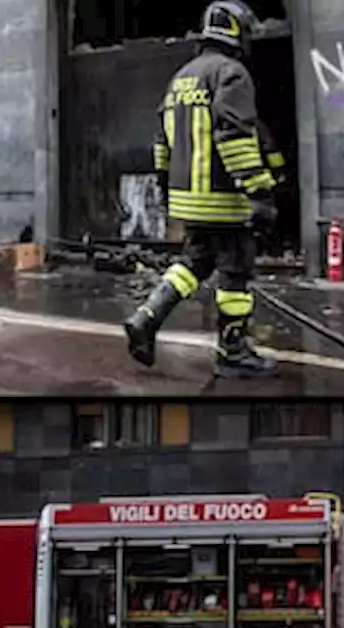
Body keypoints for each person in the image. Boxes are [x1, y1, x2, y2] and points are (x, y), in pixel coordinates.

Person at [123, 0, 281, 380]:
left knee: (193, 264)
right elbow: (236, 137)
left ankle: (145, 318)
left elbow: (161, 143)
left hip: (188, 201)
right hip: (225, 201)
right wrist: (259, 194)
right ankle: (233, 352)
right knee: (235, 274)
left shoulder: (182, 77)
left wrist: (166, 191)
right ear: (237, 31)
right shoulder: (231, 73)